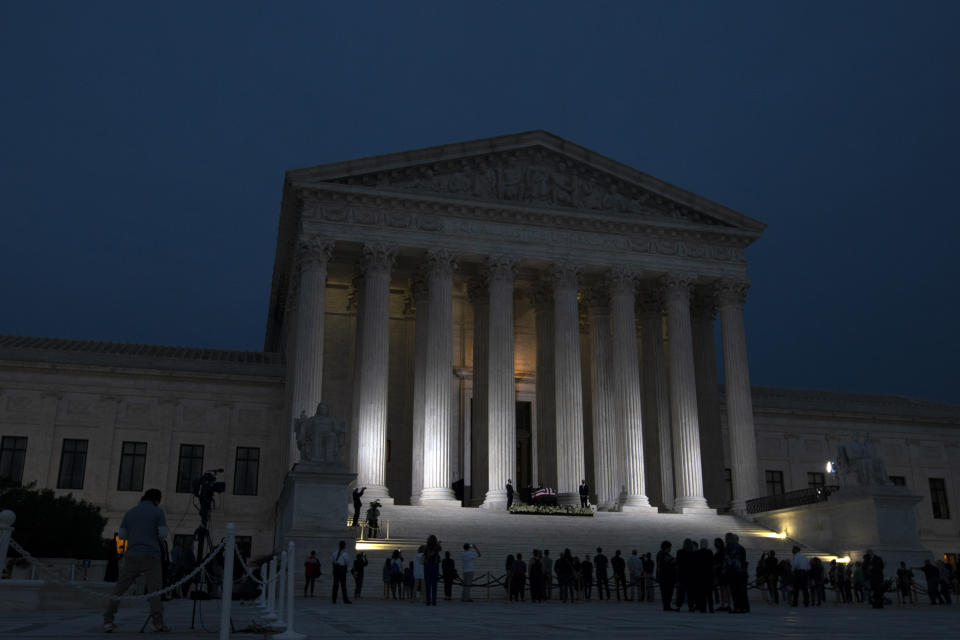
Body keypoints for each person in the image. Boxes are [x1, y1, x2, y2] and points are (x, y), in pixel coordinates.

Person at [103, 489, 170, 633]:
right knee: (155, 591)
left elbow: (121, 535)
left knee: (120, 588)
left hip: (132, 555)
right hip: (151, 555)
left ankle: (108, 620)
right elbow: (163, 534)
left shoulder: (130, 513)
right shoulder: (157, 512)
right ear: (157, 500)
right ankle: (157, 623)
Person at [724, 532, 749, 613]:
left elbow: (729, 561)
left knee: (736, 591)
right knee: (740, 591)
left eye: (727, 538)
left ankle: (738, 607)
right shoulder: (739, 548)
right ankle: (743, 607)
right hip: (739, 572)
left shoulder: (730, 548)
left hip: (735, 572)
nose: (726, 540)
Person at [694, 538, 714, 613]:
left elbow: (695, 566)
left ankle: (703, 608)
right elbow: (712, 564)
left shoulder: (697, 553)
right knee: (709, 594)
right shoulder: (710, 552)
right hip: (708, 575)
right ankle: (711, 608)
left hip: (700, 576)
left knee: (702, 594)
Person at [656, 540, 676, 611]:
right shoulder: (664, 555)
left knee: (664, 592)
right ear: (666, 547)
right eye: (670, 547)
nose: (670, 549)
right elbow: (672, 561)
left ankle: (666, 606)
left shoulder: (659, 554)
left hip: (661, 576)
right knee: (668, 592)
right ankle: (667, 606)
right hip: (667, 577)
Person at [423, 534, 442, 606]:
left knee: (428, 585)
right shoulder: (434, 548)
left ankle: (428, 601)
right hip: (434, 566)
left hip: (427, 567)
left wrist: (437, 546)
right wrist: (437, 546)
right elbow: (430, 555)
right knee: (434, 585)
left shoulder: (426, 547)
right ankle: (433, 601)